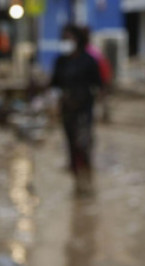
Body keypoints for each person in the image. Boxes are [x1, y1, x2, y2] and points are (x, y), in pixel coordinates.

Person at [50, 23, 103, 197]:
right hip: (67, 110)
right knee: (71, 145)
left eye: (69, 38)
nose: (66, 42)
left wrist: (99, 105)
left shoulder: (89, 60)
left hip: (84, 109)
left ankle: (87, 179)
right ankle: (77, 183)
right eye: (64, 39)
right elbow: (54, 85)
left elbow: (99, 85)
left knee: (84, 143)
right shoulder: (60, 61)